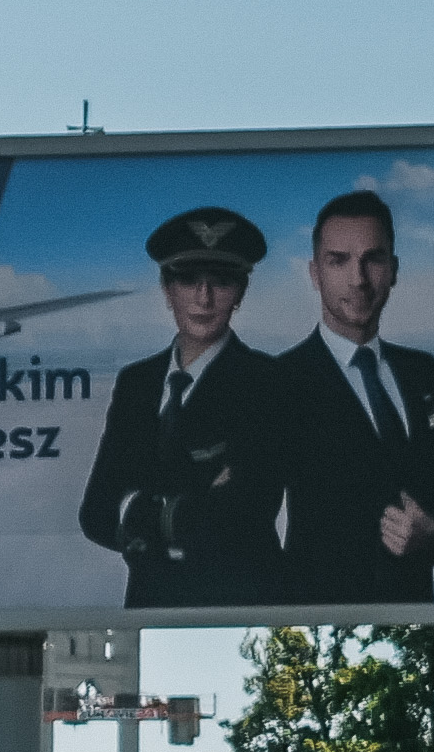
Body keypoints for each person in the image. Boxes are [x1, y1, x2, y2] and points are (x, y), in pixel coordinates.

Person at [276, 191, 434, 606]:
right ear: (315, 273)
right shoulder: (277, 381)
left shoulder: (420, 371)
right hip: (316, 620)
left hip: (416, 623)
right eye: (339, 261)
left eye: (374, 259)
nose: (358, 279)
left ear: (394, 270)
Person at [77, 206, 286, 604]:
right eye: (188, 280)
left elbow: (246, 513)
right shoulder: (136, 383)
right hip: (150, 603)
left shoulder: (267, 380)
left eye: (221, 281)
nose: (203, 298)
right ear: (166, 288)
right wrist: (191, 507)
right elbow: (95, 513)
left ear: (240, 292)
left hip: (243, 604)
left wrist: (139, 511)